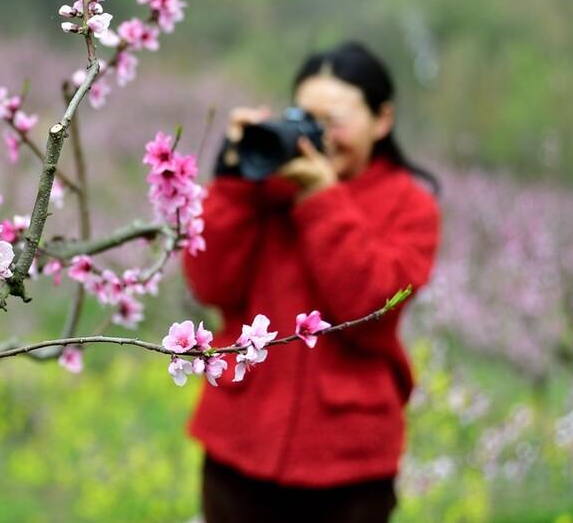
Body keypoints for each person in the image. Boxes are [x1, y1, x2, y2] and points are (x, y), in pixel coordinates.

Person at [182, 41, 441, 523]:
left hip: (349, 466)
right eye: (306, 116)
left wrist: (321, 197)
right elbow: (211, 285)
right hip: (239, 442)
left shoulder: (411, 206)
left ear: (381, 120)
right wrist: (233, 179)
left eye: (336, 120)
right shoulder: (262, 187)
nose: (320, 136)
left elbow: (370, 310)